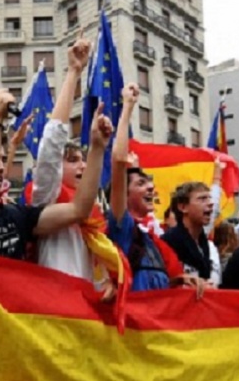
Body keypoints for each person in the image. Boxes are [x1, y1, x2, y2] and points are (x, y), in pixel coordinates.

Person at [0, 89, 112, 261]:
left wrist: (97, 149)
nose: (1, 168)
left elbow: (78, 210)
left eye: (2, 159)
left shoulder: (17, 215)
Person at [30, 29, 117, 297]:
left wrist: (109, 284)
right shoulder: (45, 199)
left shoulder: (95, 222)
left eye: (83, 160)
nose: (82, 167)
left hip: (87, 319)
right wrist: (73, 73)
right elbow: (51, 143)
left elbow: (97, 274)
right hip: (55, 315)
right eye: (72, 161)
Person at [108, 83, 202, 294]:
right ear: (123, 193)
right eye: (141, 183)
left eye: (149, 182)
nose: (151, 187)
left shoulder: (152, 239)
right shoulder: (122, 228)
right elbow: (118, 160)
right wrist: (128, 108)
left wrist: (179, 281)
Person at [162, 182, 221, 286]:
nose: (210, 203)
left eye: (209, 198)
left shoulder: (208, 246)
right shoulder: (167, 243)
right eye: (202, 199)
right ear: (183, 207)